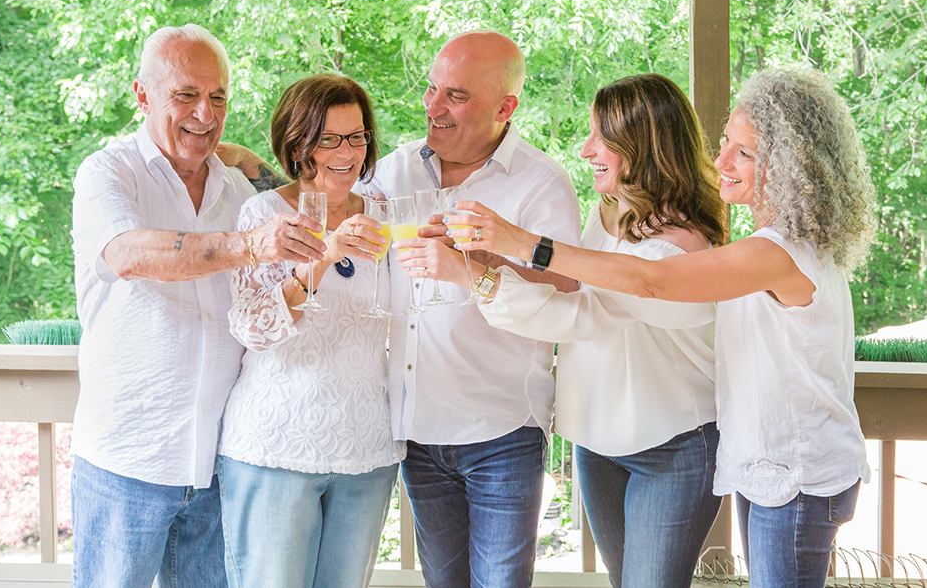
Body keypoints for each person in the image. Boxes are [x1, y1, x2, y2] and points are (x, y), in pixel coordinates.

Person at [441, 67, 877, 588]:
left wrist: (518, 246)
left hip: (797, 473)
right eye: (724, 144)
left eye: (744, 153)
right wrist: (494, 259)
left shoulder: (777, 253)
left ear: (790, 165)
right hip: (767, 468)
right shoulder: (770, 243)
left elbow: (650, 280)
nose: (719, 163)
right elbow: (605, 283)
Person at [398, 74, 726, 588]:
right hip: (599, 440)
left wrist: (492, 260)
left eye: (602, 138)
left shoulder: (682, 241)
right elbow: (568, 301)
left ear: (644, 146)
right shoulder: (609, 214)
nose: (585, 148)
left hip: (674, 445)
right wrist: (480, 259)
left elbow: (587, 312)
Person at [70, 23, 324, 588]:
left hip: (218, 466)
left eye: (218, 97)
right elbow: (127, 253)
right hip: (126, 462)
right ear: (142, 94)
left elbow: (308, 202)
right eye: (185, 95)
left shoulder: (238, 189)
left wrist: (252, 162)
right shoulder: (107, 173)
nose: (205, 115)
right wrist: (248, 245)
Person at [358, 30, 583, 588]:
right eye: (432, 89)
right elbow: (327, 205)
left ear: (505, 107)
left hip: (501, 428)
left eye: (455, 95)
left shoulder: (541, 181)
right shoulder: (394, 171)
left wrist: (481, 256)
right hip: (418, 428)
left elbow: (568, 288)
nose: (433, 106)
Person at [216, 74, 403, 588]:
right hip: (276, 445)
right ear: (301, 145)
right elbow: (253, 326)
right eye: (330, 139)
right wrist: (323, 259)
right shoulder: (265, 212)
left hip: (366, 446)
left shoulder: (386, 215)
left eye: (358, 136)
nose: (348, 151)